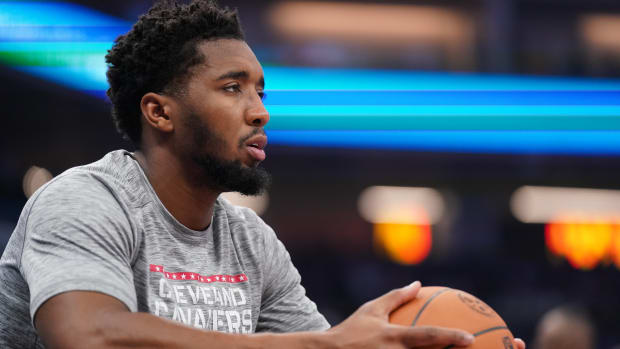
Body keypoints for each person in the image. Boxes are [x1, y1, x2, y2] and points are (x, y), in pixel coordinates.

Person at [0, 1, 527, 348]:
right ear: (159, 112)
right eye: (233, 88)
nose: (259, 112)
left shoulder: (252, 241)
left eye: (260, 91)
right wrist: (326, 344)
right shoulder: (85, 200)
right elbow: (89, 336)